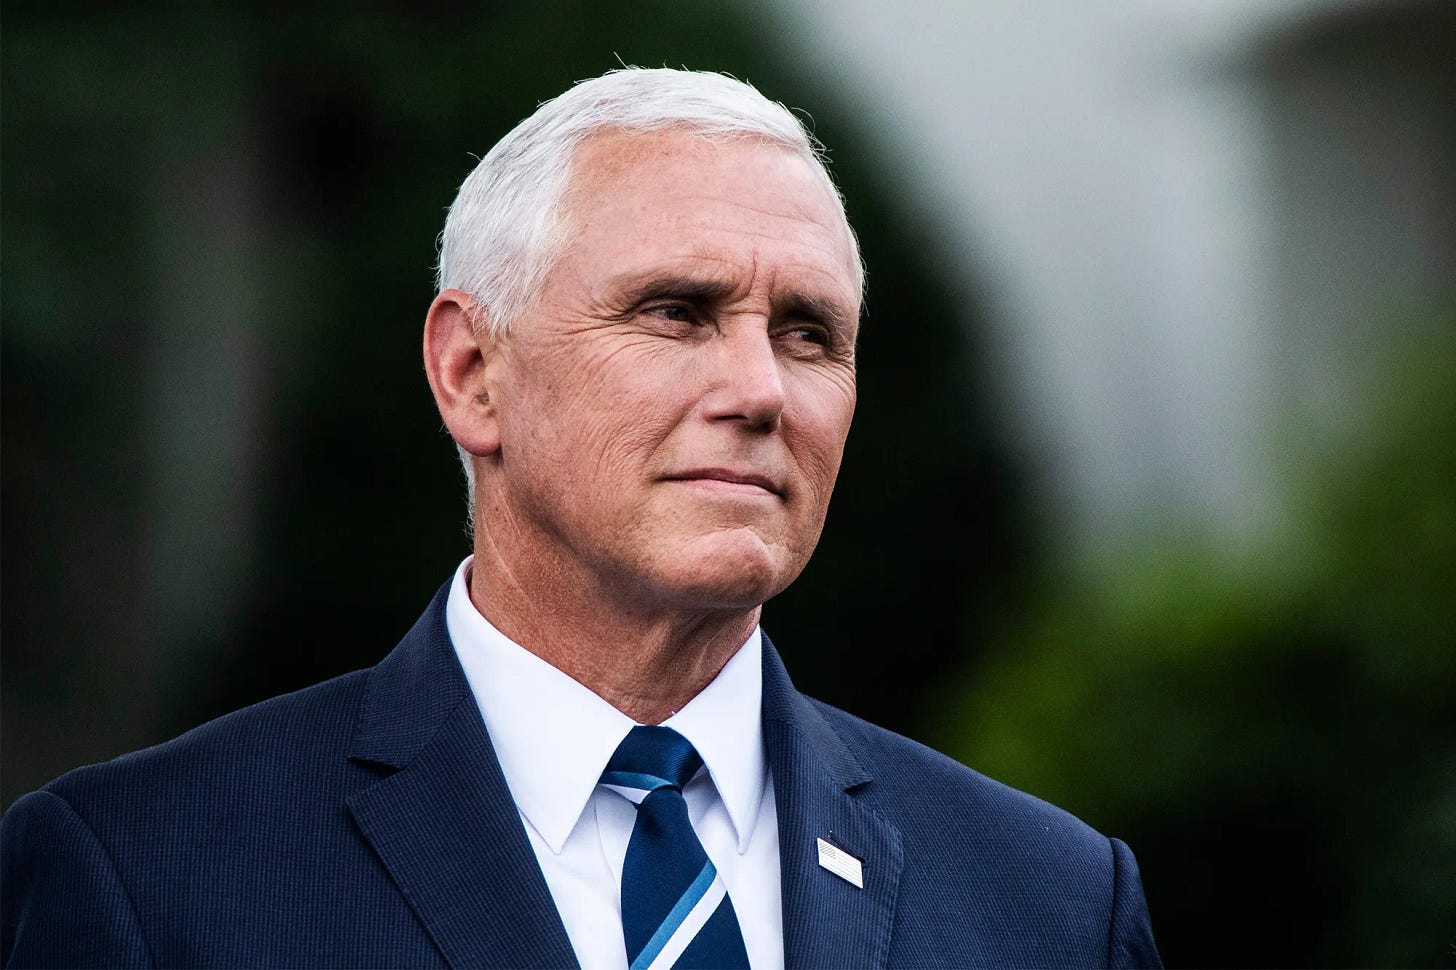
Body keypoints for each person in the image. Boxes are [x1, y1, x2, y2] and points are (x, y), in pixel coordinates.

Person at [0, 68, 1161, 969]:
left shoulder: (1053, 902)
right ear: (472, 374)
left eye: (808, 333)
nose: (760, 389)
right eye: (676, 312)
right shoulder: (147, 877)